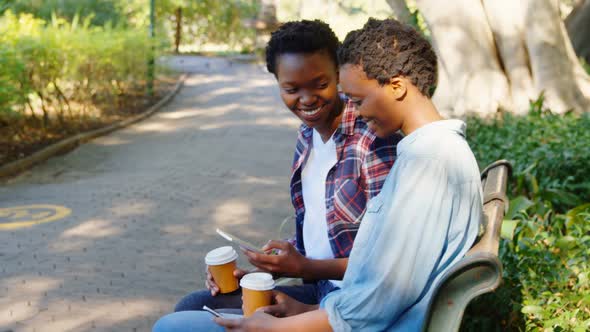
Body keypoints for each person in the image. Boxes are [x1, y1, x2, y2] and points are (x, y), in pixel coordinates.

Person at [153, 17, 483, 332]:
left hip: (361, 318)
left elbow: (381, 299)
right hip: (345, 307)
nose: (358, 110)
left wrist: (284, 326)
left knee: (172, 326)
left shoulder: (429, 162)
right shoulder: (422, 153)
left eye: (357, 98)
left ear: (396, 86)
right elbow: (376, 277)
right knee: (195, 306)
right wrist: (299, 304)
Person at [169, 19, 400, 316]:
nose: (306, 100)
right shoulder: (308, 135)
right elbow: (321, 229)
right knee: (192, 305)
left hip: (352, 296)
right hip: (317, 283)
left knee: (186, 319)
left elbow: (388, 259)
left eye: (320, 84)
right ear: (277, 83)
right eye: (291, 88)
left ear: (339, 74)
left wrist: (304, 267)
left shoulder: (373, 139)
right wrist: (273, 265)